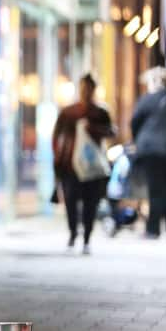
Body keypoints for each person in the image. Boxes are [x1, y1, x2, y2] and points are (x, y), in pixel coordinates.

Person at [52, 74, 116, 254]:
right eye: (83, 88)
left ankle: (86, 237)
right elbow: (57, 136)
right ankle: (73, 234)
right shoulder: (68, 112)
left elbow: (111, 131)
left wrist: (92, 129)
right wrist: (58, 158)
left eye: (89, 88)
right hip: (70, 165)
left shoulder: (100, 112)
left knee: (90, 203)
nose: (86, 92)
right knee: (71, 201)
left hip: (92, 166)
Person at [130, 66, 166, 239]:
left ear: (155, 82)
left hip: (151, 151)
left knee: (155, 190)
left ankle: (153, 229)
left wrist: (138, 140)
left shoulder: (146, 100)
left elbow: (135, 122)